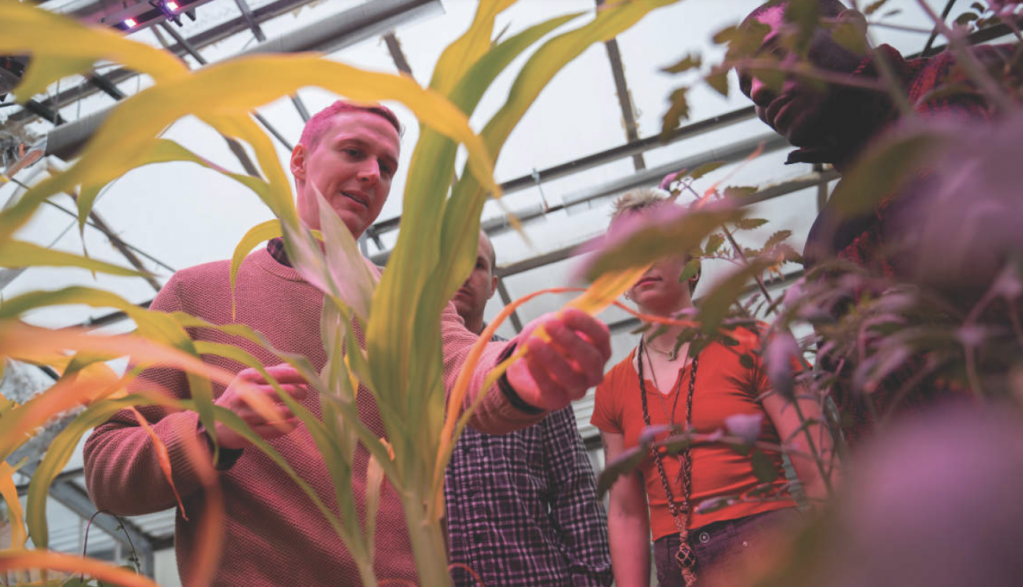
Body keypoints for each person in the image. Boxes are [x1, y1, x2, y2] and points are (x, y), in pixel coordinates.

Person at [82, 101, 613, 586]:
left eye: (386, 167)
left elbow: (465, 371)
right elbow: (108, 466)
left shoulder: (409, 304)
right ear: (299, 160)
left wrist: (520, 366)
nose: (372, 175)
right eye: (355, 152)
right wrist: (212, 429)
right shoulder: (197, 295)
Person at [735, 0, 1018, 443]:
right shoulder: (827, 239)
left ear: (848, 29)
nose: (756, 91)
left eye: (772, 55)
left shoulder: (972, 81)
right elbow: (862, 414)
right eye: (744, 87)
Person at [591, 189, 828, 587]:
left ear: (692, 263)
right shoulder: (612, 388)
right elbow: (627, 513)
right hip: (676, 568)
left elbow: (819, 468)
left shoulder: (756, 341)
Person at [445, 231, 613, 586]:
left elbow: (575, 489)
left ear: (492, 285)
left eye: (475, 264)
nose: (462, 273)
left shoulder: (532, 366)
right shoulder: (400, 381)